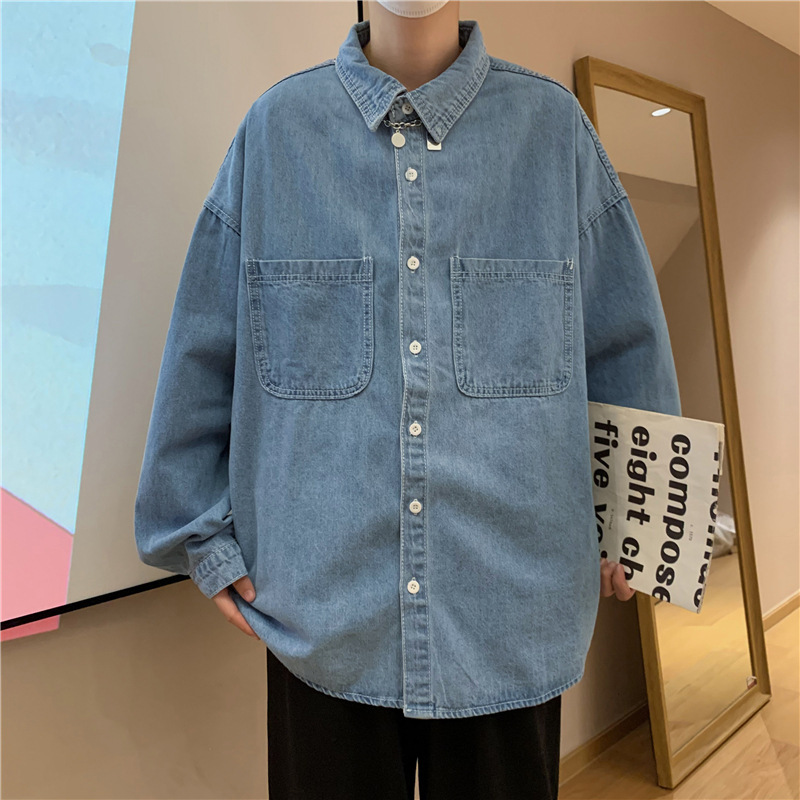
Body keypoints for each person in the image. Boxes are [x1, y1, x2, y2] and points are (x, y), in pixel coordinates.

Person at [134, 1, 680, 797]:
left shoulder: (552, 133)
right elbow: (203, 346)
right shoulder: (276, 133)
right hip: (324, 624)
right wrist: (201, 538)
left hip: (509, 619)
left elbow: (625, 340)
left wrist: (639, 525)